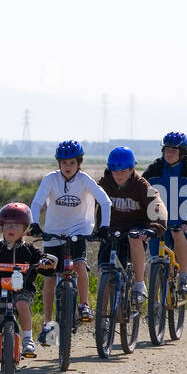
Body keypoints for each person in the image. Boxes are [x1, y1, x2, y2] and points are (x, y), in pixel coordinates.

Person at [29, 140, 111, 346]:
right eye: (64, 163)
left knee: (80, 264)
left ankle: (84, 304)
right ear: (58, 164)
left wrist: (104, 228)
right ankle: (48, 324)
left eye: (72, 163)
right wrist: (35, 225)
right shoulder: (50, 179)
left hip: (78, 230)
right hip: (53, 231)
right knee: (49, 278)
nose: (67, 167)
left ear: (79, 163)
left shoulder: (84, 180)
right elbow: (37, 202)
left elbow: (105, 201)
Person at [0, 202, 53, 371]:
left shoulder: (29, 250)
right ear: (2, 227)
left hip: (22, 290)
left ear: (25, 230)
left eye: (16, 225)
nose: (11, 228)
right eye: (7, 225)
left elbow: (42, 258)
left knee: (22, 304)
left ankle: (28, 339)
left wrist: (45, 262)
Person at [95, 147, 167, 305]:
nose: (118, 175)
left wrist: (155, 227)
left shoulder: (141, 185)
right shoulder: (104, 184)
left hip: (136, 228)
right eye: (115, 171)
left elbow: (157, 205)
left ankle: (139, 284)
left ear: (132, 169)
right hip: (113, 231)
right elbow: (87, 203)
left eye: (123, 171)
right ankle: (103, 320)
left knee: (135, 236)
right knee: (103, 273)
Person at [142, 130, 187, 293]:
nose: (169, 153)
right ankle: (154, 305)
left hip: (180, 217)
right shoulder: (155, 168)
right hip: (158, 218)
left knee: (177, 233)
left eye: (173, 151)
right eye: (167, 150)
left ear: (182, 153)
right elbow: (140, 188)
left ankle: (184, 275)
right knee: (155, 260)